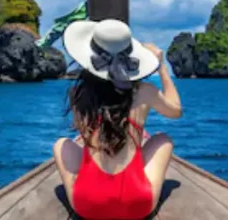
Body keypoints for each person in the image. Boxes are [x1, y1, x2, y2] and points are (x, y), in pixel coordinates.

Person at [52, 18, 183, 220]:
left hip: (88, 208)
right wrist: (162, 69)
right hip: (137, 208)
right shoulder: (144, 92)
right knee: (163, 140)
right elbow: (176, 111)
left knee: (61, 144)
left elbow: (82, 131)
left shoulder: (80, 94)